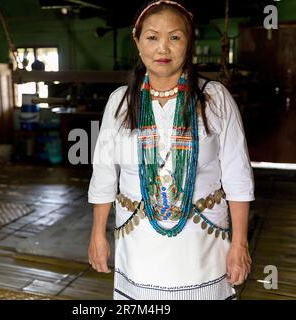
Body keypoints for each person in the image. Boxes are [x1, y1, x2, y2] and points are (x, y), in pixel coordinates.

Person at [88, 0, 254, 300]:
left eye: (174, 37)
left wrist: (239, 244)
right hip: (138, 241)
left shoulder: (215, 99)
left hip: (202, 242)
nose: (163, 49)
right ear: (137, 42)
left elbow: (237, 175)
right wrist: (98, 234)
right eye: (152, 37)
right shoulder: (121, 102)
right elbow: (103, 174)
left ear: (188, 43)